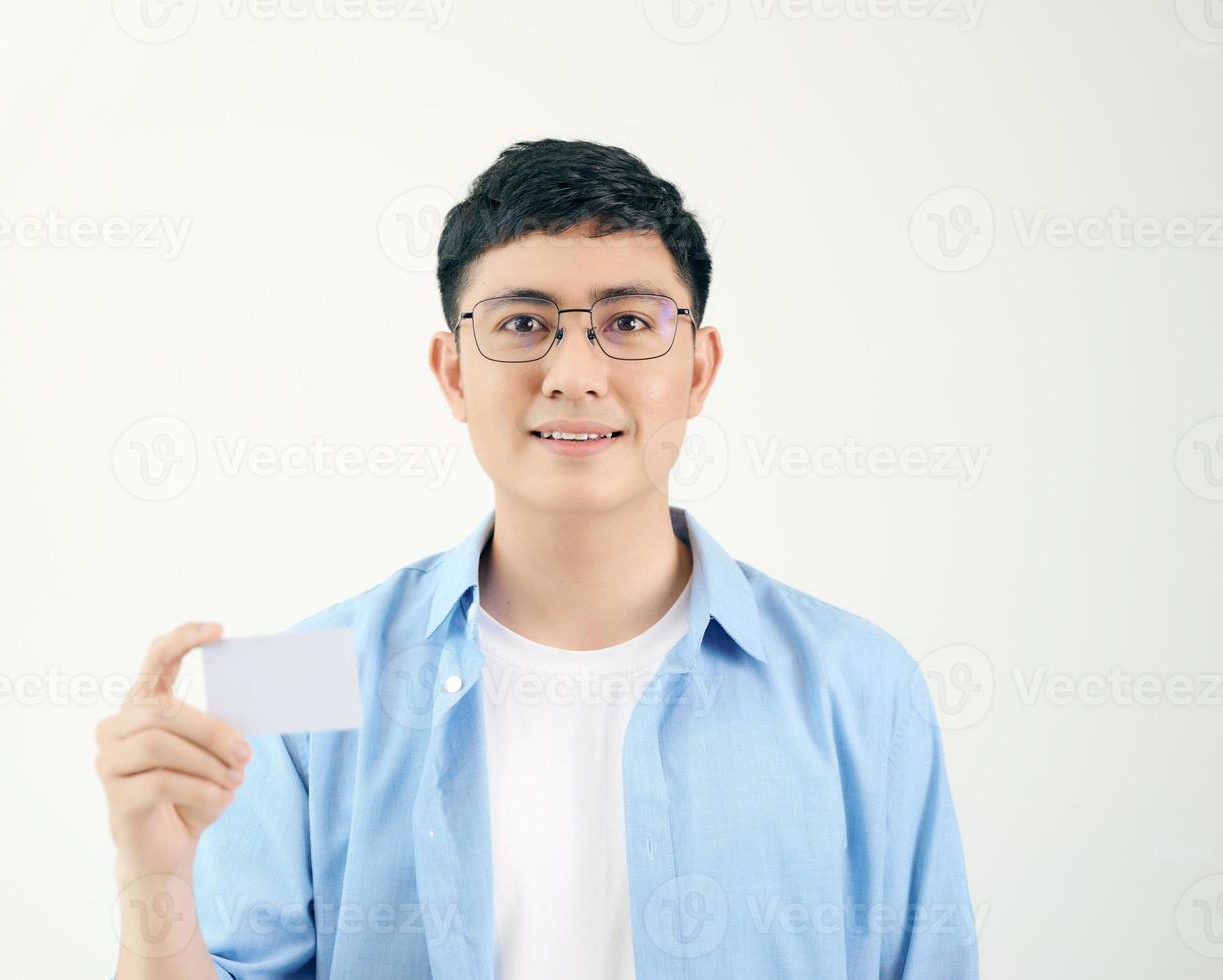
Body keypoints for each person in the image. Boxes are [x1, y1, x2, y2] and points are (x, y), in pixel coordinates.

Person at [95, 138, 980, 979]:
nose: (574, 371)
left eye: (628, 322)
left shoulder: (860, 685)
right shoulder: (295, 681)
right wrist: (155, 878)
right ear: (452, 374)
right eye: (522, 323)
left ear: (699, 370)